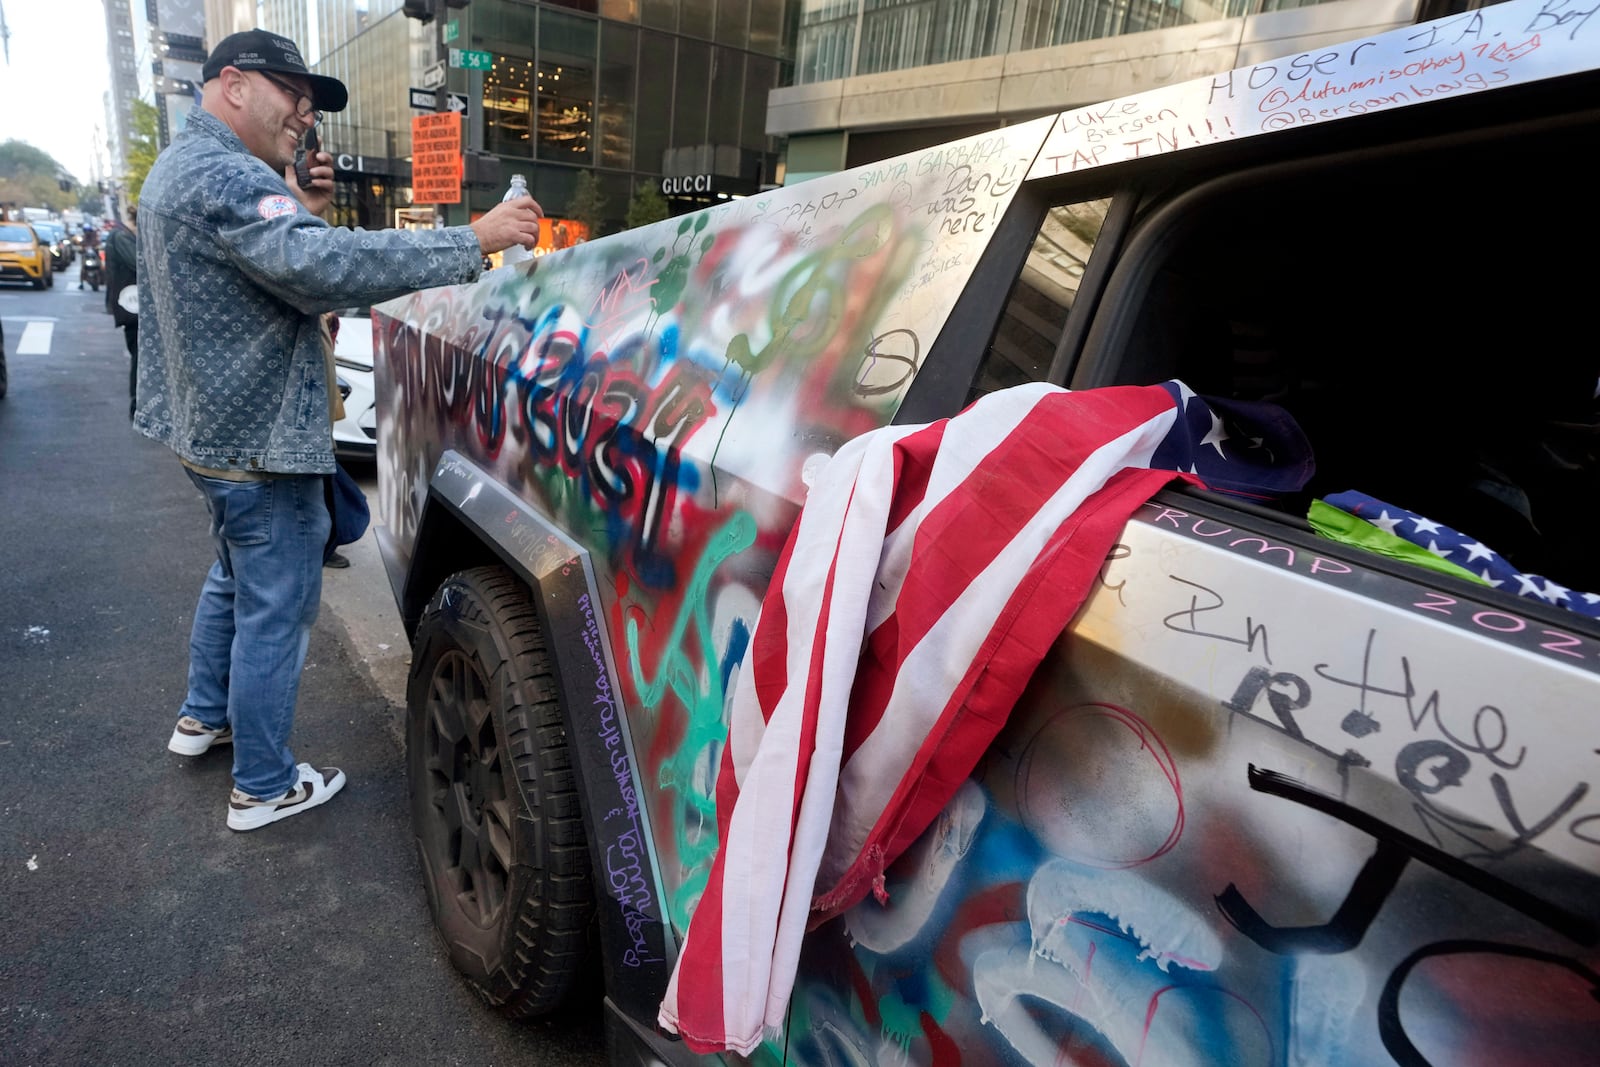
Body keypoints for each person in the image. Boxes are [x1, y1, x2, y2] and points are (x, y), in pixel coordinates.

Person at [135, 28, 544, 832]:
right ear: (233, 83)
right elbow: (324, 268)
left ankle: (202, 716)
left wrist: (305, 209)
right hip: (257, 440)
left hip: (210, 434)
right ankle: (261, 784)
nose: (304, 114)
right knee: (275, 606)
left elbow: (280, 262)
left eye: (311, 103)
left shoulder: (185, 166)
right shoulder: (224, 175)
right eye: (292, 92)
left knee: (233, 575)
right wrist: (477, 238)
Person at [104, 204, 139, 420]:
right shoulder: (122, 238)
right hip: (133, 306)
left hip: (132, 306)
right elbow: (140, 264)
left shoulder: (122, 236)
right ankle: (137, 405)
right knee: (139, 354)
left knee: (139, 353)